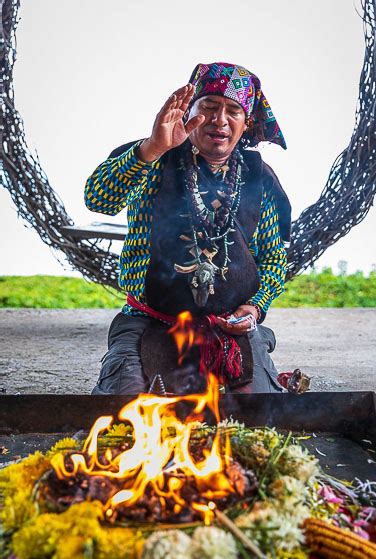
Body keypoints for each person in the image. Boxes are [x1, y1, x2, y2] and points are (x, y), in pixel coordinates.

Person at [84, 62, 291, 395]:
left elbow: (271, 259)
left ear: (246, 122)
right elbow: (98, 199)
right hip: (151, 322)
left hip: (228, 331)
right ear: (187, 113)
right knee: (121, 412)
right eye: (208, 107)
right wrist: (152, 148)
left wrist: (254, 307)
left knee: (259, 416)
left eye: (233, 111)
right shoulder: (153, 156)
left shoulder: (259, 177)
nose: (219, 120)